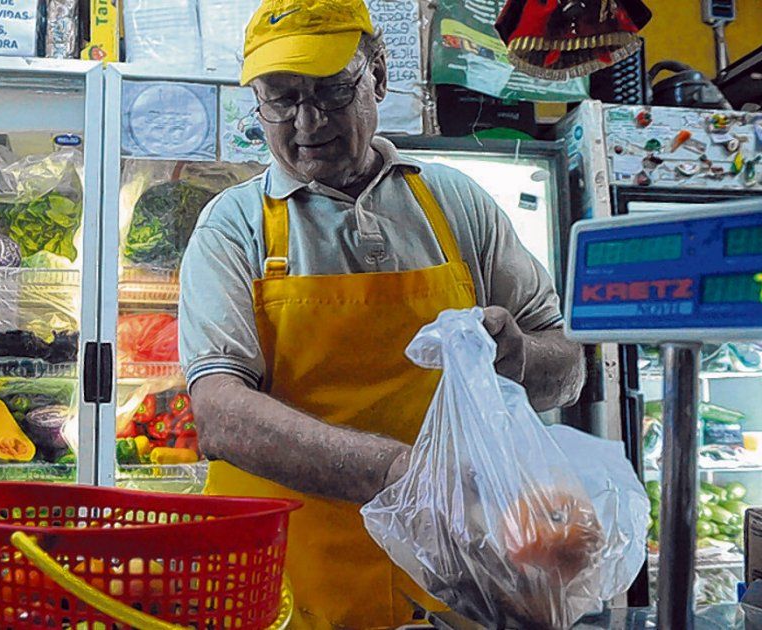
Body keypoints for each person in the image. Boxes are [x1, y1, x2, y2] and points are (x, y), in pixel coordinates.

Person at [177, 0, 586, 627]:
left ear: (379, 77)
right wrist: (408, 477)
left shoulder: (455, 204)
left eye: (332, 92)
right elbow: (221, 417)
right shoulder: (233, 227)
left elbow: (569, 370)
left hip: (457, 581)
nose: (306, 121)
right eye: (280, 99)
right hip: (285, 587)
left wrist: (521, 356)